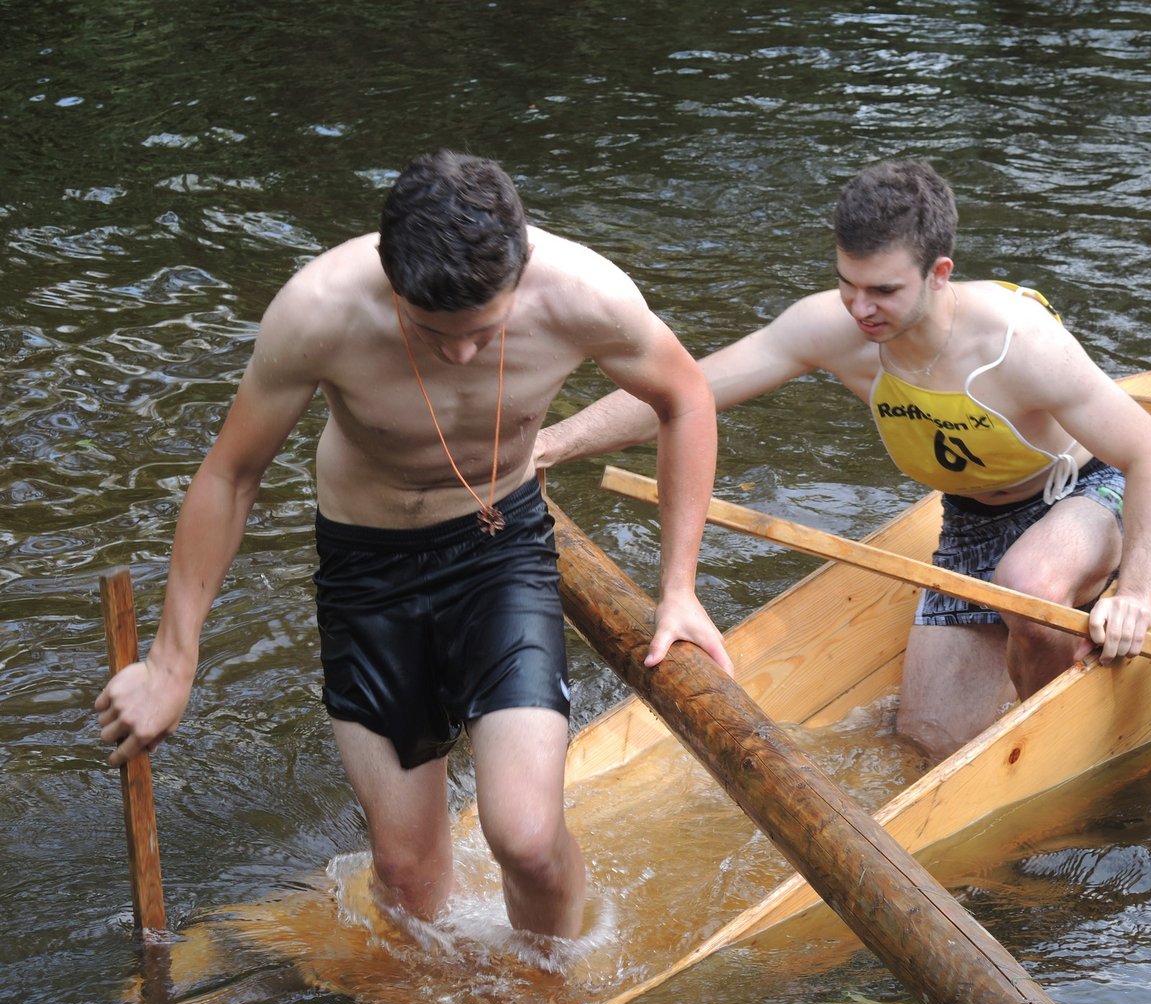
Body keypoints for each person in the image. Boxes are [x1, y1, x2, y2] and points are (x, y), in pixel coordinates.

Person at [94, 151, 731, 938]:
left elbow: (685, 397)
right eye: (432, 333)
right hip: (370, 571)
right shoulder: (321, 310)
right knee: (405, 873)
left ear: (520, 272)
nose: (461, 354)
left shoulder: (582, 294)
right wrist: (171, 663)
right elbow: (231, 474)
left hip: (500, 549)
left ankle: (557, 983)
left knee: (527, 839)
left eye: (484, 332)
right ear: (392, 281)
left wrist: (679, 588)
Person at [535, 159, 1151, 761]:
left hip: (1085, 493)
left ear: (939, 273)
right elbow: (683, 392)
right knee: (928, 744)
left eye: (883, 290)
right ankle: (1032, 678)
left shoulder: (1018, 342)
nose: (861, 309)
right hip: (972, 521)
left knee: (1030, 583)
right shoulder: (831, 328)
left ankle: (1054, 735)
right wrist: (550, 445)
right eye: (847, 285)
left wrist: (1136, 595)